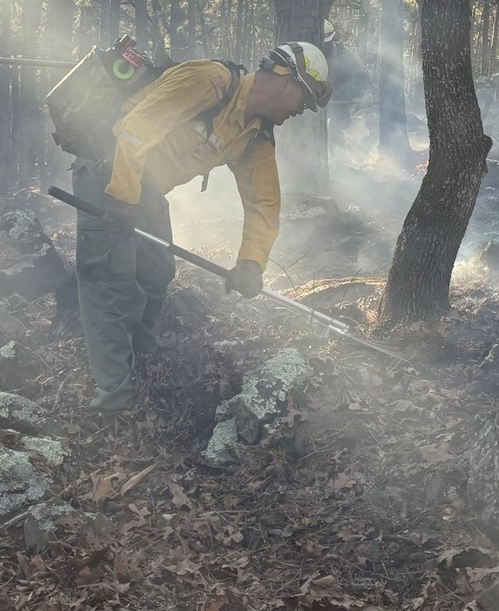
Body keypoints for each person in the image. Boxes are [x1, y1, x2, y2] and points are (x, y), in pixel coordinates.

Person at [73, 42, 332, 412]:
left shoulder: (254, 136)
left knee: (156, 272)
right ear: (287, 83)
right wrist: (121, 196)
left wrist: (250, 264)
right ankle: (114, 397)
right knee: (108, 280)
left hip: (144, 189)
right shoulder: (210, 80)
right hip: (107, 169)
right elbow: (136, 127)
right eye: (303, 102)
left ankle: (141, 361)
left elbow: (264, 205)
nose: (299, 113)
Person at [322, 20, 370, 138]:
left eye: (326, 44)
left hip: (339, 104)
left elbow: (363, 74)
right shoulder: (306, 56)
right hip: (314, 105)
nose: (323, 47)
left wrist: (368, 92)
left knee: (336, 132)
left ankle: (336, 154)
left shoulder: (344, 54)